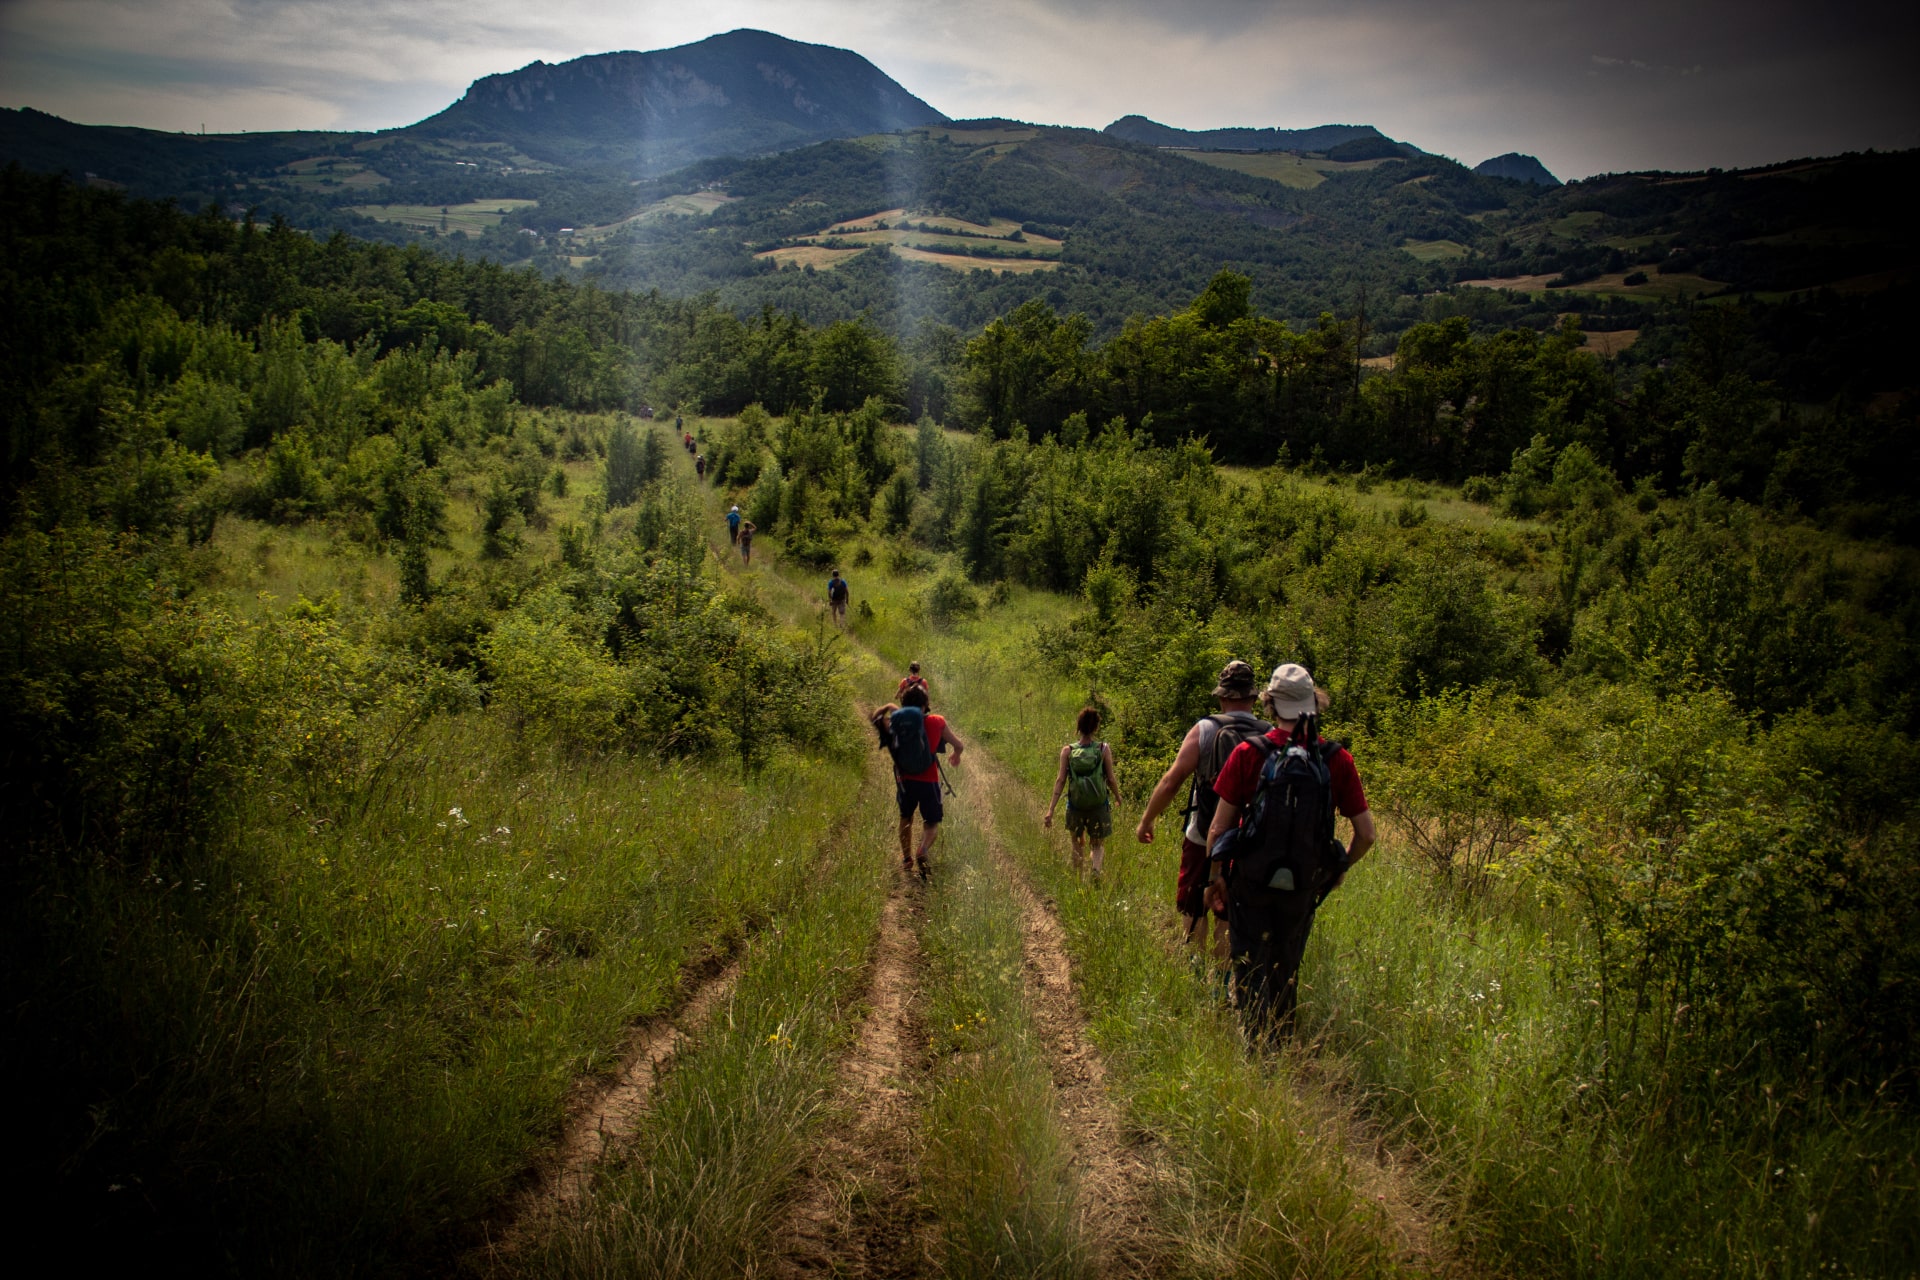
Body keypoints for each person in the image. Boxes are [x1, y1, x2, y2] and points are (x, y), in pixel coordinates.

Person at [1204, 663, 1374, 1041]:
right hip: (1303, 885)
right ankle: (1280, 1046)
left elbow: (1219, 828)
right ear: (1313, 704)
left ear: (1269, 704)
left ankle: (1253, 1047)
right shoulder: (1336, 759)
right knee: (1287, 965)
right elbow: (1367, 834)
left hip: (1250, 881)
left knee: (1248, 964)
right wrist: (1338, 866)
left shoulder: (1250, 752)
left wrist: (1216, 877)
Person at [1134, 660, 1271, 968]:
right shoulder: (1271, 734)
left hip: (1202, 834)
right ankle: (1221, 984)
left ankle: (1197, 976)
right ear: (1253, 697)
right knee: (1229, 910)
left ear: (1221, 695)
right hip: (1249, 840)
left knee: (1194, 906)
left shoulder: (1206, 728)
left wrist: (1147, 819)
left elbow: (1172, 781)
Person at [872, 685, 964, 879]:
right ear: (925, 705)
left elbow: (876, 718)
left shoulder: (897, 722)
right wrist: (956, 754)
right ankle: (922, 849)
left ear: (904, 704)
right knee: (931, 823)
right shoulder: (937, 721)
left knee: (906, 817)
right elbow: (959, 744)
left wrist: (888, 706)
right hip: (928, 780)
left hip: (905, 780)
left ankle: (906, 859)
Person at [1044, 706, 1121, 878]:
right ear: (1096, 727)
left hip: (1075, 805)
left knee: (1077, 843)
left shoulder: (1068, 751)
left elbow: (1061, 781)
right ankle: (1095, 871)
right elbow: (1110, 779)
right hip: (1099, 805)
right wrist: (1117, 796)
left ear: (1078, 726)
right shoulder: (1103, 749)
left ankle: (1078, 880)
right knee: (1097, 844)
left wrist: (1051, 810)